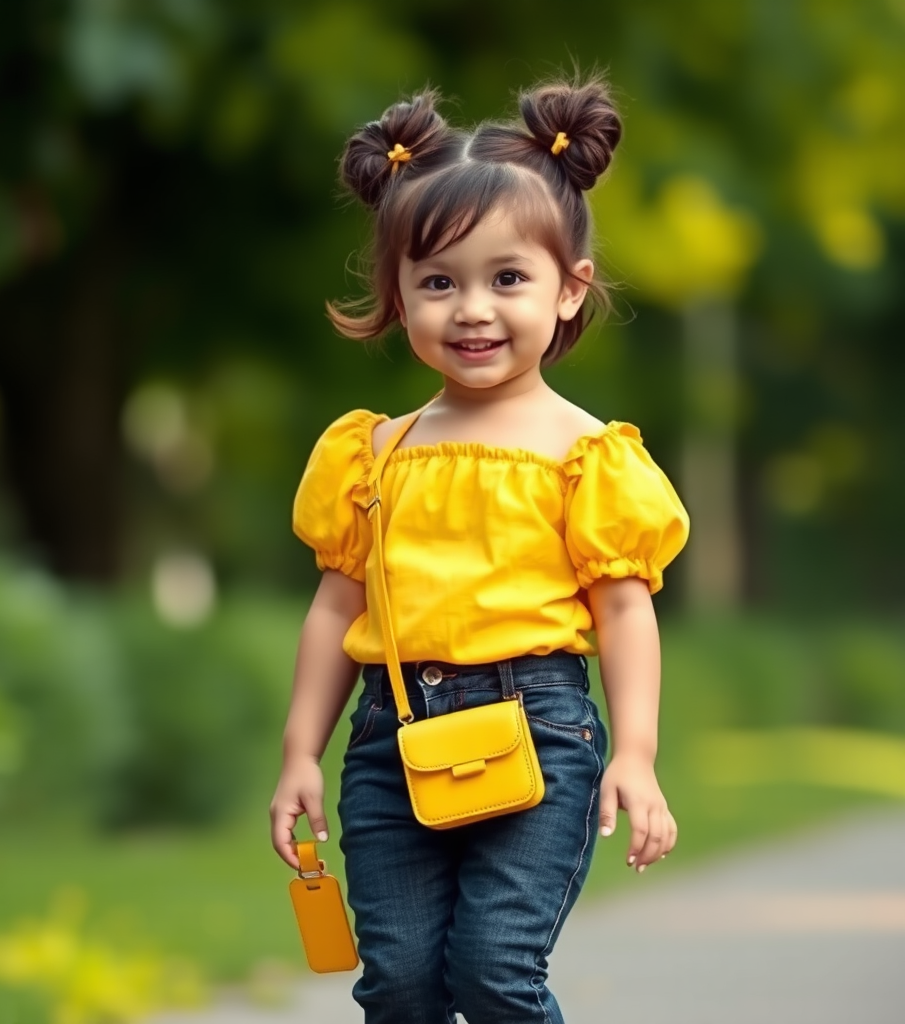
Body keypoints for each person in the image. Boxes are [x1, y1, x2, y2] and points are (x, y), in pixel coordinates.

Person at [270, 75, 690, 1024]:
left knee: (494, 971)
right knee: (403, 986)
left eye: (508, 279)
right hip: (391, 740)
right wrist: (302, 751)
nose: (472, 310)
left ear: (569, 287)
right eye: (438, 283)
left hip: (540, 733)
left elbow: (626, 609)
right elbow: (337, 606)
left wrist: (637, 752)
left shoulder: (585, 456)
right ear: (398, 294)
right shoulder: (371, 453)